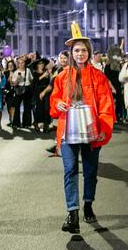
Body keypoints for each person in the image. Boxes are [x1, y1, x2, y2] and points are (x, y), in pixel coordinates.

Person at [49, 22, 115, 234]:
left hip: (92, 130)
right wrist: (57, 104)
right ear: (71, 53)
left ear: (89, 52)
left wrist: (104, 126)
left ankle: (88, 204)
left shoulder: (98, 77)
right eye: (76, 50)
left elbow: (106, 104)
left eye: (83, 50)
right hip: (68, 130)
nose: (79, 54)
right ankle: (73, 212)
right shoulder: (61, 76)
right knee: (69, 171)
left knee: (90, 171)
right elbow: (55, 100)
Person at [9, 56, 33, 129]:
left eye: (22, 63)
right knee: (17, 107)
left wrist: (28, 84)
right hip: (18, 89)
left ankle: (26, 123)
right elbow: (13, 84)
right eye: (19, 63)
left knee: (27, 107)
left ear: (24, 63)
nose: (21, 64)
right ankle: (16, 123)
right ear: (17, 64)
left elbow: (31, 79)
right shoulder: (16, 72)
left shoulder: (28, 70)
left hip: (27, 89)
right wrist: (18, 80)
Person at [33, 59, 52, 132]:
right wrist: (43, 76)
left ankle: (46, 125)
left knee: (47, 108)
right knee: (39, 108)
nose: (41, 65)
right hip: (38, 91)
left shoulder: (47, 72)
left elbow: (50, 82)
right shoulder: (35, 73)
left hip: (46, 91)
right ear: (37, 65)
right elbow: (34, 83)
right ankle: (36, 123)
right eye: (40, 63)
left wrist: (49, 74)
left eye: (43, 63)